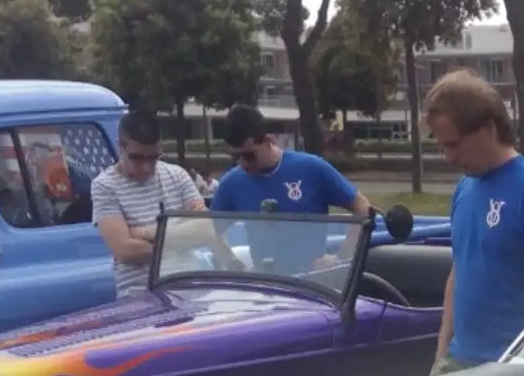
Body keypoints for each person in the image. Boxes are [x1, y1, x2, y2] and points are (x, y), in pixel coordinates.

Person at [424, 69, 524, 375]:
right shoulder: (465, 188)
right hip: (457, 363)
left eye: (454, 144)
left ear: (488, 129)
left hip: (506, 371)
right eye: (442, 147)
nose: (448, 157)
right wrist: (441, 353)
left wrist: (521, 369)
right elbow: (459, 271)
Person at [211, 104, 373, 273]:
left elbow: (362, 207)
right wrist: (232, 262)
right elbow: (210, 229)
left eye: (249, 156)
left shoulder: (311, 168)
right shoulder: (232, 183)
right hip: (267, 283)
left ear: (268, 140)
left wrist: (342, 257)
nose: (243, 163)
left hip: (312, 281)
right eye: (236, 157)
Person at [91, 110, 214, 297]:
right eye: (137, 157)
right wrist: (183, 238)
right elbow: (125, 250)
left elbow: (206, 229)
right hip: (139, 291)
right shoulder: (104, 186)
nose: (146, 166)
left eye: (154, 157)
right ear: (120, 147)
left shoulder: (177, 175)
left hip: (189, 284)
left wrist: (144, 232)